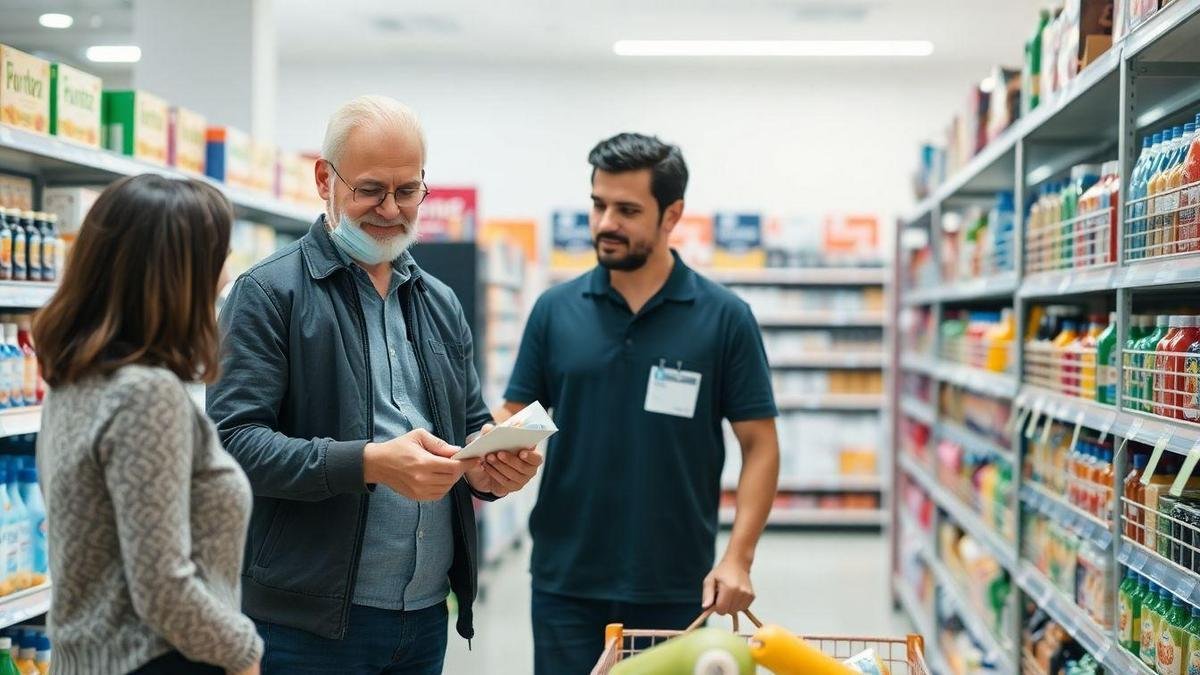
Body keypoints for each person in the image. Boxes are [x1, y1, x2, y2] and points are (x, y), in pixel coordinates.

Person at [207, 95, 542, 675]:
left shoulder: (438, 302)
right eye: (370, 190)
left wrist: (489, 471)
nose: (391, 209)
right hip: (307, 626)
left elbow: (467, 424)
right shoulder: (267, 295)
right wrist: (367, 463)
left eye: (408, 190)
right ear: (323, 180)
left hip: (425, 615)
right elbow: (233, 443)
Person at [502, 132, 781, 674]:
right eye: (599, 204)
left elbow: (761, 445)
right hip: (565, 579)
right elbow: (514, 414)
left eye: (627, 210)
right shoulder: (555, 310)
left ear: (671, 214)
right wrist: (487, 449)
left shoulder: (724, 317)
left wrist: (739, 557)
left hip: (676, 584)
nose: (606, 223)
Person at [33, 174, 262, 675]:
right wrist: (243, 650)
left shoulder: (72, 380)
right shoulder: (146, 396)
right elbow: (163, 587)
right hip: (158, 659)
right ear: (176, 274)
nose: (226, 274)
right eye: (217, 256)